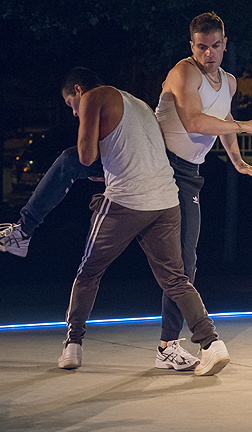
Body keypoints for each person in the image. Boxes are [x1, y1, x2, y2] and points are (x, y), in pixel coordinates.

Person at [0, 12, 252, 369]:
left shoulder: (228, 83)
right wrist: (247, 125)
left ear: (225, 44)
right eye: (201, 47)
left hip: (180, 173)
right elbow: (194, 121)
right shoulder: (185, 71)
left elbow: (222, 122)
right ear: (192, 46)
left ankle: (167, 345)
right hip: (160, 163)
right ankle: (23, 230)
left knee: (184, 265)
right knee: (68, 162)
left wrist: (235, 159)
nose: (209, 53)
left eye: (215, 46)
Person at [55, 67, 229, 376]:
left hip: (126, 200)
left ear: (79, 91)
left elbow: (84, 155)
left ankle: (73, 345)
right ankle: (212, 344)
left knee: (89, 272)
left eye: (71, 104)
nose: (73, 112)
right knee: (176, 279)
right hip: (166, 199)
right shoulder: (137, 103)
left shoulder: (94, 97)